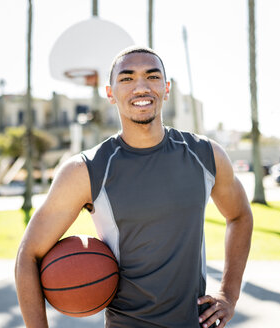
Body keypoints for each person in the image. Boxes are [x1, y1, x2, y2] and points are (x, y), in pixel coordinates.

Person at [15, 46, 253, 328]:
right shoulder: (86, 170)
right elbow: (28, 255)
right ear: (110, 92)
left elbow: (239, 216)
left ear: (165, 89)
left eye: (152, 77)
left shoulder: (205, 155)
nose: (140, 87)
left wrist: (229, 293)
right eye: (126, 79)